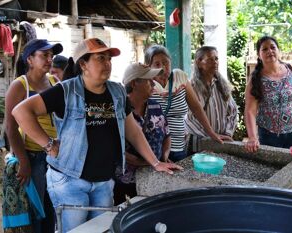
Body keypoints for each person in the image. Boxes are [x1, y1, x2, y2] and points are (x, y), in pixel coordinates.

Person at [12, 38, 182, 233]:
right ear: (83, 64)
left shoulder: (116, 91)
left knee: (102, 230)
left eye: (109, 58)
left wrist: (155, 162)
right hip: (70, 181)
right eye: (100, 58)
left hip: (103, 181)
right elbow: (21, 112)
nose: (107, 63)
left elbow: (132, 130)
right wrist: (48, 144)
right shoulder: (65, 91)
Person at [5, 39, 63, 233]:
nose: (49, 59)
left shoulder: (55, 82)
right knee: (35, 211)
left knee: (52, 208)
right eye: (44, 55)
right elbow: (11, 127)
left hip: (54, 156)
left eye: (51, 56)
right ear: (30, 59)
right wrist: (24, 161)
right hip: (32, 156)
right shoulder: (20, 85)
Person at [144, 45, 232, 162]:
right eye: (157, 64)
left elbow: (196, 107)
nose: (163, 67)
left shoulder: (179, 77)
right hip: (154, 148)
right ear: (148, 66)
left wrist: (211, 133)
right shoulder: (145, 84)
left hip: (179, 146)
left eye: (165, 62)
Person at [244, 36, 292, 153]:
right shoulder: (256, 79)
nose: (270, 51)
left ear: (278, 50)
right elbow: (250, 111)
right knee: (273, 169)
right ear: (259, 55)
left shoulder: (291, 69)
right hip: (269, 135)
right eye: (264, 49)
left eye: (272, 47)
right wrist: (252, 137)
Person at [114, 63, 170, 205]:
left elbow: (167, 135)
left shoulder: (155, 105)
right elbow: (116, 149)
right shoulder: (118, 110)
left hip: (153, 174)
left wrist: (163, 158)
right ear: (134, 83)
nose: (153, 83)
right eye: (148, 80)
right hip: (125, 181)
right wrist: (145, 162)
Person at [185, 46, 238, 154]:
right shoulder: (192, 88)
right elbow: (190, 119)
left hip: (221, 142)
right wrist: (210, 137)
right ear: (199, 62)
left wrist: (227, 134)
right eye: (210, 59)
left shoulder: (222, 86)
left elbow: (232, 111)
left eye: (216, 59)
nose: (215, 62)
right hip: (199, 145)